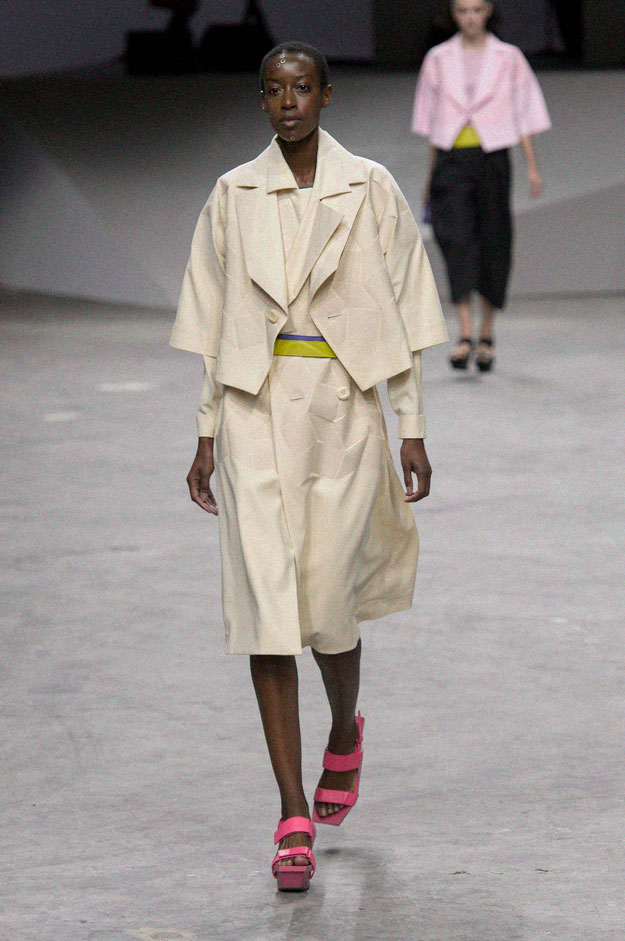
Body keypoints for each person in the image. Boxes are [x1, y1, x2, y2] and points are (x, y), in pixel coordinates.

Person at [170, 41, 448, 891]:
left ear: (326, 95)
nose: (287, 101)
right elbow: (213, 324)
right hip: (253, 408)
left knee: (328, 607)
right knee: (265, 610)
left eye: (301, 88)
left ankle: (342, 729)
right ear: (260, 101)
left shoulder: (370, 187)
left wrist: (410, 424)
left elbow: (405, 307)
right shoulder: (232, 194)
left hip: (343, 407)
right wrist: (206, 431)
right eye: (273, 90)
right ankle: (290, 809)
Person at [412, 0, 551, 371]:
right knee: (455, 240)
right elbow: (432, 124)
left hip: (493, 158)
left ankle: (486, 333)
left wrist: (532, 167)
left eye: (476, 9)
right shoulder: (437, 59)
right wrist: (429, 176)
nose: (470, 17)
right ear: (453, 14)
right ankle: (465, 333)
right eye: (462, 10)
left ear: (488, 11)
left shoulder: (509, 57)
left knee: (494, 240)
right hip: (450, 159)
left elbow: (523, 113)